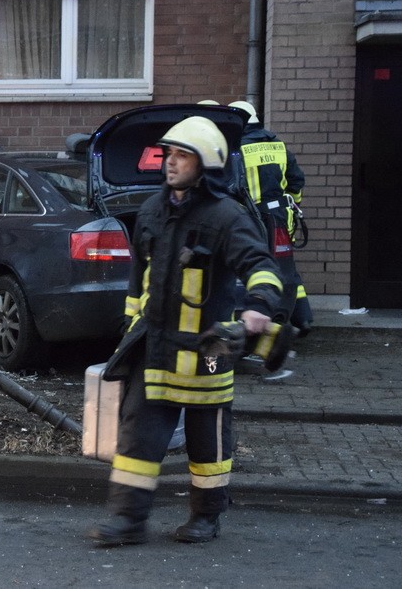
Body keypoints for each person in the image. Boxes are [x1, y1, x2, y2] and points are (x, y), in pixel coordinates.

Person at [88, 116, 282, 545]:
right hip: (155, 350)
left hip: (207, 351)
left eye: (181, 155)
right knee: (138, 439)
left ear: (205, 163)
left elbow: (262, 267)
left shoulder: (227, 217)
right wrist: (131, 323)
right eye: (168, 154)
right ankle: (127, 520)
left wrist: (258, 308)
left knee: (207, 441)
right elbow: (138, 278)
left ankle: (206, 516)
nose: (169, 163)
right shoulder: (152, 210)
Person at [228, 100, 313, 335]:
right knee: (285, 268)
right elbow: (296, 181)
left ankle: (264, 322)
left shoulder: (238, 149)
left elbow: (233, 186)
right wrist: (294, 204)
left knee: (257, 269)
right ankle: (302, 319)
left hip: (251, 218)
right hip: (280, 217)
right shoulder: (278, 144)